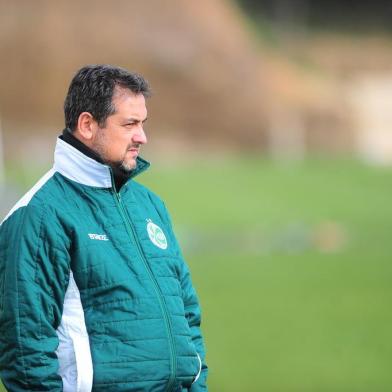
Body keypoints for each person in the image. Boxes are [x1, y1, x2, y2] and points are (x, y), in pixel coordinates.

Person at [0, 65, 208, 391]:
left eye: (143, 124)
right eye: (129, 124)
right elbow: (27, 351)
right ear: (87, 124)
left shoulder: (150, 205)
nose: (142, 136)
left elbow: (188, 315)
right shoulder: (39, 214)